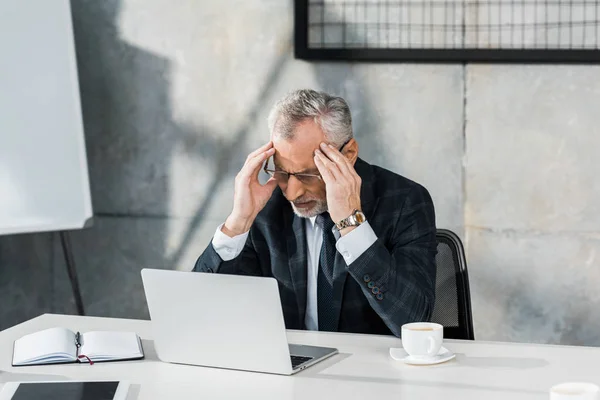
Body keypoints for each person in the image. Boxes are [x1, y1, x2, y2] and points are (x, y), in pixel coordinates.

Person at [193, 89, 437, 337]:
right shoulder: (266, 205)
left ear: (348, 154)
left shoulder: (404, 201)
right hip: (290, 367)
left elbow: (414, 321)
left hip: (373, 368)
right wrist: (238, 223)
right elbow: (200, 312)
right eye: (281, 171)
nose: (292, 192)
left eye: (308, 174)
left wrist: (351, 224)